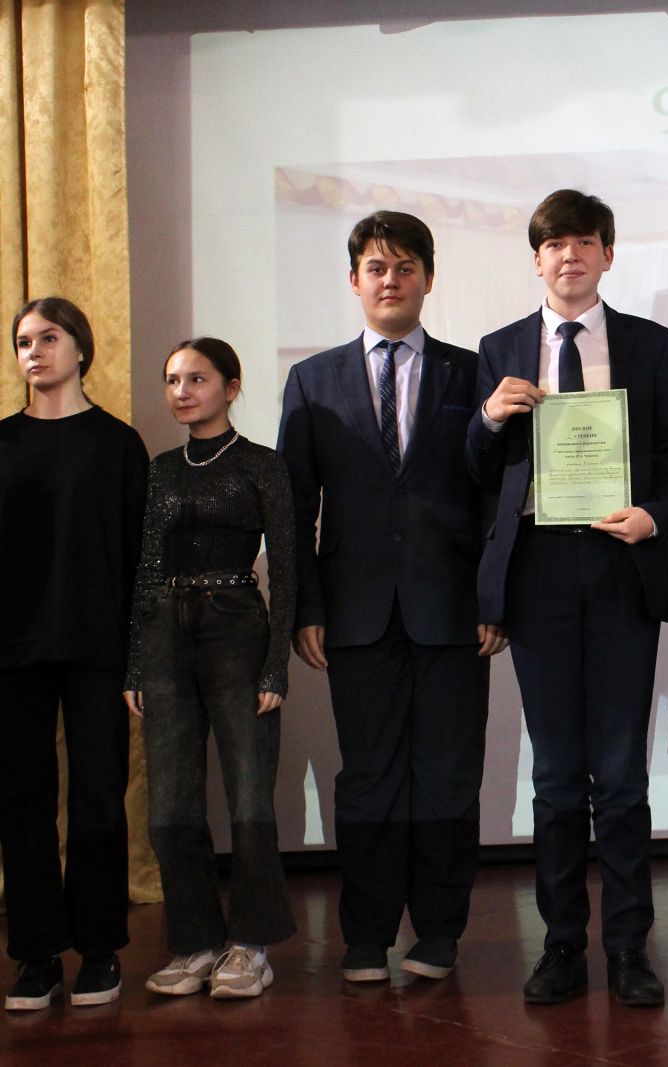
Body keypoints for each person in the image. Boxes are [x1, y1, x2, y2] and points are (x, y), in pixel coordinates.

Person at [468, 189, 668, 1007]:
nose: (570, 255)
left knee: (622, 774)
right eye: (554, 244)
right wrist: (489, 417)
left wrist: (653, 516)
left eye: (584, 242)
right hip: (538, 571)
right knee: (558, 774)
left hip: (620, 562)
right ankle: (562, 943)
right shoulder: (499, 347)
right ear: (537, 260)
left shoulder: (647, 343)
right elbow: (475, 472)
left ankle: (629, 946)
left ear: (607, 254)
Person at [277, 211, 502, 984]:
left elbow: (495, 495)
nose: (391, 280)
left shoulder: (472, 372)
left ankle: (438, 931)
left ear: (428, 279)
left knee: (449, 774)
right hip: (355, 610)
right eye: (377, 267)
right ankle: (367, 933)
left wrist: (494, 596)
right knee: (368, 775)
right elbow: (296, 504)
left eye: (406, 267)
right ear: (354, 280)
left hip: (453, 609)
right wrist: (306, 606)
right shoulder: (312, 379)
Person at [122, 338, 296, 999]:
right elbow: (145, 567)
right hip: (165, 634)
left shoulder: (261, 464)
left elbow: (287, 569)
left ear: (231, 386)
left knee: (249, 797)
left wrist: (276, 666)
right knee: (170, 803)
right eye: (172, 380)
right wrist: (135, 663)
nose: (181, 391)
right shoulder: (162, 469)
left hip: (237, 629)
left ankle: (250, 945)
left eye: (196, 378)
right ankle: (195, 942)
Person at [1, 298, 148, 1010]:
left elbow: (140, 561)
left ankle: (98, 949)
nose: (34, 351)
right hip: (11, 650)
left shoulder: (118, 444)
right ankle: (36, 956)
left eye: (48, 337)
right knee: (21, 800)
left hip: (97, 645)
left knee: (97, 799)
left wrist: (137, 657)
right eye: (23, 341)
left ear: (81, 348)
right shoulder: (1, 442)